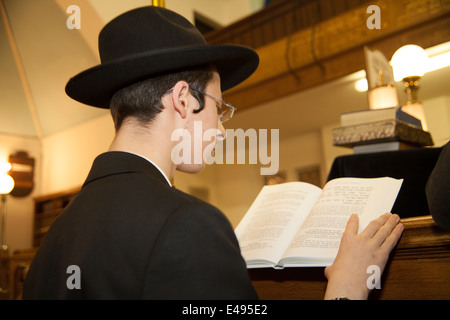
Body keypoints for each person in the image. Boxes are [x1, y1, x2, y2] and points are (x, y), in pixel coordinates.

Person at [23, 6, 403, 300]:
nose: (221, 131)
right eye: (219, 110)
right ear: (184, 100)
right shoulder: (188, 224)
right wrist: (347, 286)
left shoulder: (53, 238)